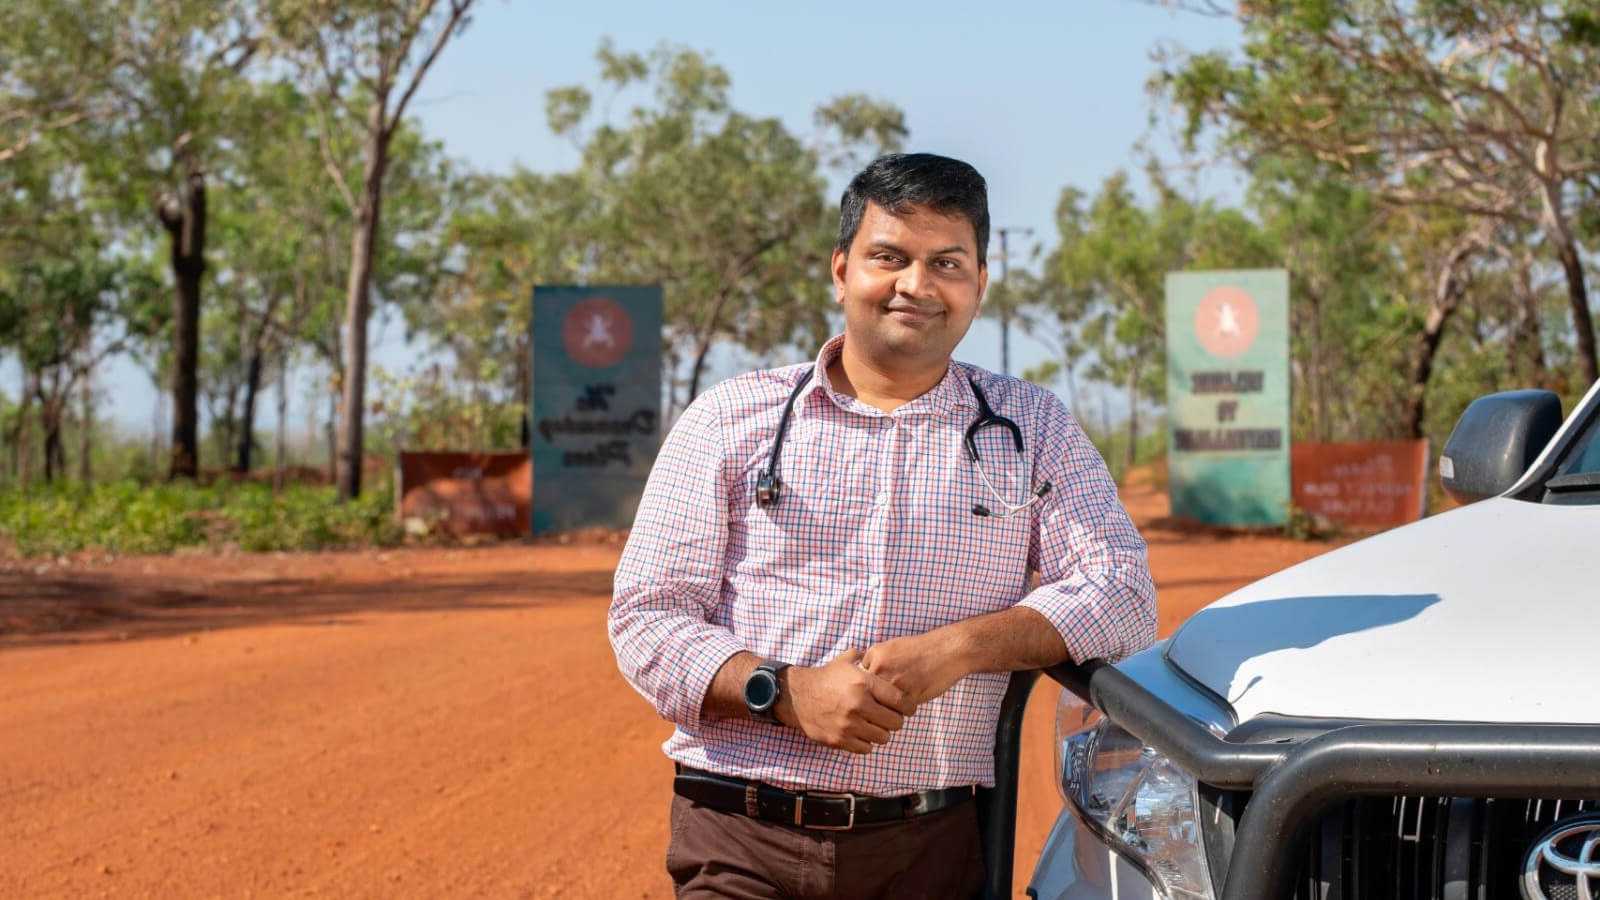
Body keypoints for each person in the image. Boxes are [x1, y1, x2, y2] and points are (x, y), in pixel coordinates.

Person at [609, 152, 1157, 899]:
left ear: (979, 284)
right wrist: (785, 691)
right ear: (841, 270)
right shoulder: (731, 419)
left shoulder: (1032, 429)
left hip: (926, 850)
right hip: (739, 832)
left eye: (947, 263)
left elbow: (1122, 589)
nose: (917, 285)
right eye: (889, 256)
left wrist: (959, 649)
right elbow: (647, 617)